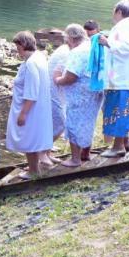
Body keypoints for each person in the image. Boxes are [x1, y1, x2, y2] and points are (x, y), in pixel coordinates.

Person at [98, 0, 129, 156]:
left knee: (119, 111)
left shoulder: (124, 27)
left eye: (114, 11)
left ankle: (117, 146)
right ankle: (125, 142)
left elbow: (126, 47)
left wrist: (107, 43)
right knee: (126, 111)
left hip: (123, 79)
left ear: (119, 12)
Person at [54, 24, 104, 167]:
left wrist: (58, 79)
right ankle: (86, 153)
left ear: (71, 37)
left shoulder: (78, 51)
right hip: (95, 89)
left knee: (74, 123)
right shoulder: (92, 46)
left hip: (80, 94)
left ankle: (75, 159)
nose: (66, 43)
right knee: (89, 121)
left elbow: (71, 77)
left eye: (66, 40)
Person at [6, 31, 53, 179]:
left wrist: (23, 113)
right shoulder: (39, 57)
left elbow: (32, 91)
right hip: (39, 107)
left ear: (24, 44)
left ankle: (33, 170)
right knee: (32, 136)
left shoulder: (32, 63)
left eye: (17, 46)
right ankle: (34, 167)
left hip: (31, 107)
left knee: (28, 137)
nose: (16, 49)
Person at [47, 39, 69, 143]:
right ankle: (43, 151)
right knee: (61, 123)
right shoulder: (66, 52)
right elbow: (61, 76)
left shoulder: (65, 49)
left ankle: (47, 151)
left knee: (54, 123)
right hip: (53, 91)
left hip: (58, 91)